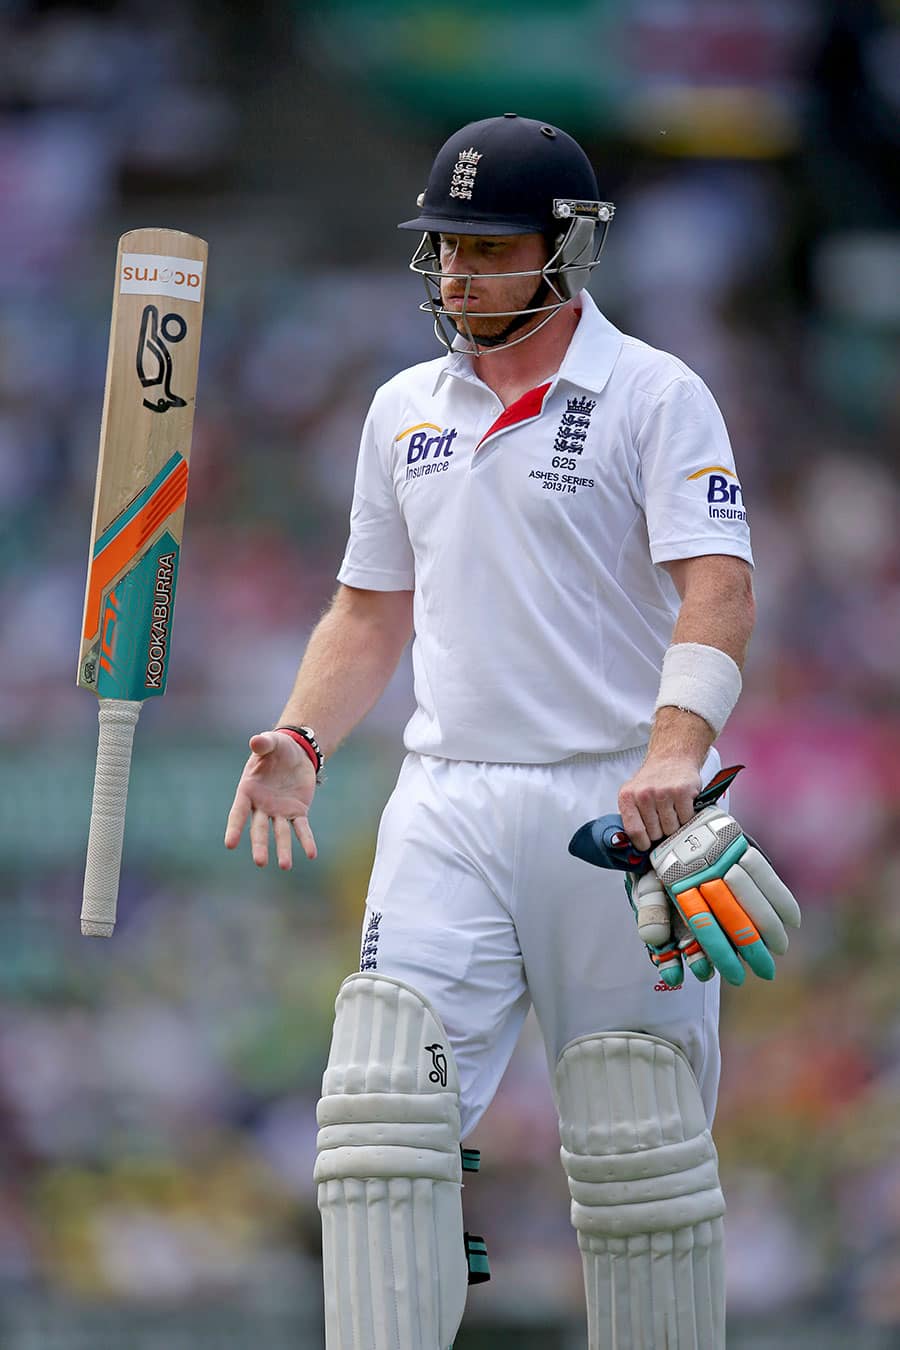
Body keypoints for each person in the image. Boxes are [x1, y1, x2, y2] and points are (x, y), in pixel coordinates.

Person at [224, 114, 800, 1350]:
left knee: (637, 1144)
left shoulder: (654, 392)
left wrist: (675, 753)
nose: (454, 276)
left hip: (619, 809)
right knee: (382, 1106)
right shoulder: (400, 412)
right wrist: (302, 736)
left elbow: (720, 585)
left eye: (485, 251)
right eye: (443, 250)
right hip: (447, 800)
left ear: (565, 250)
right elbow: (370, 612)